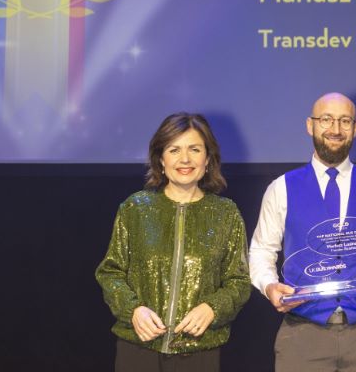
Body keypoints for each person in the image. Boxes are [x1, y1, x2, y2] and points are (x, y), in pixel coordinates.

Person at [249, 92, 356, 372]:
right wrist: (269, 286)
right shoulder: (280, 189)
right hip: (301, 335)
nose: (335, 129)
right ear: (310, 125)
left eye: (344, 121)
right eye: (326, 119)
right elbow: (261, 251)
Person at [96, 113, 250, 372]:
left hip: (199, 351)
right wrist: (134, 310)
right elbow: (110, 273)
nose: (185, 159)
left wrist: (213, 308)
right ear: (161, 158)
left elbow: (239, 281)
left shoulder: (225, 213)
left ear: (208, 158)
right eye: (174, 149)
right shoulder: (135, 208)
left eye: (195, 149)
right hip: (139, 348)